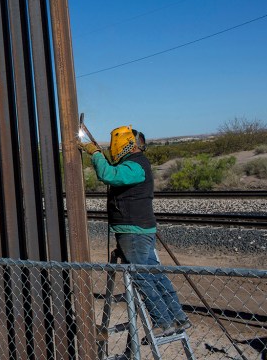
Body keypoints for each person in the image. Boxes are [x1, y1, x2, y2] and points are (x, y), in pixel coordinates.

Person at [80, 125, 191, 336]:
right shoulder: (136, 164)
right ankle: (178, 318)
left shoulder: (136, 166)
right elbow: (115, 172)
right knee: (155, 275)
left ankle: (162, 322)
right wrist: (99, 154)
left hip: (134, 231)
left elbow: (108, 174)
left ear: (122, 145)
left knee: (141, 276)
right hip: (140, 230)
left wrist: (95, 155)